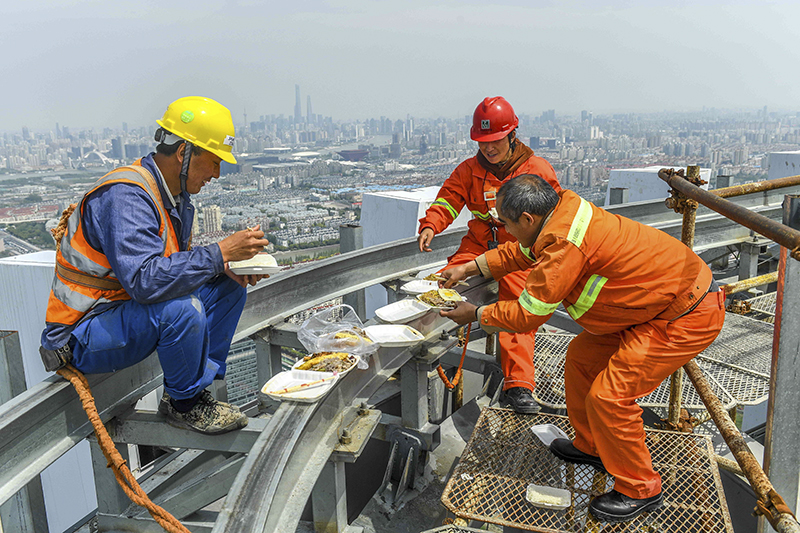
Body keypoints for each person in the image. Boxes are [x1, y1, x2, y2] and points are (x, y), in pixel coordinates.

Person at [438, 174, 725, 523]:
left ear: (528, 218)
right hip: (649, 309)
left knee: (610, 397)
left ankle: (641, 488)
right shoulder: (561, 214)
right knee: (581, 359)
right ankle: (591, 446)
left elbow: (528, 314)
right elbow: (524, 250)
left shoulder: (564, 245)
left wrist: (476, 313)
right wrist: (472, 266)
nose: (507, 231)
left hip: (683, 315)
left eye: (509, 224)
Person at [40, 96, 270, 435]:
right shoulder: (127, 196)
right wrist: (220, 253)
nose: (217, 174)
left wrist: (223, 266)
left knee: (228, 288)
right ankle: (185, 405)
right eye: (214, 161)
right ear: (184, 153)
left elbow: (165, 270)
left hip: (125, 313)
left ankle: (194, 390)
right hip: (83, 332)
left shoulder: (171, 196)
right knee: (181, 310)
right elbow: (144, 281)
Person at [417, 96, 561, 414]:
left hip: (521, 249)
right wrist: (431, 225)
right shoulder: (470, 170)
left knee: (517, 303)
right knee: (445, 284)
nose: (489, 149)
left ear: (511, 135)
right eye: (483, 142)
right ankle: (432, 352)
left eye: (495, 141)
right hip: (479, 243)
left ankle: (518, 384)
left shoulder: (535, 171)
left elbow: (553, 217)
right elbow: (449, 199)